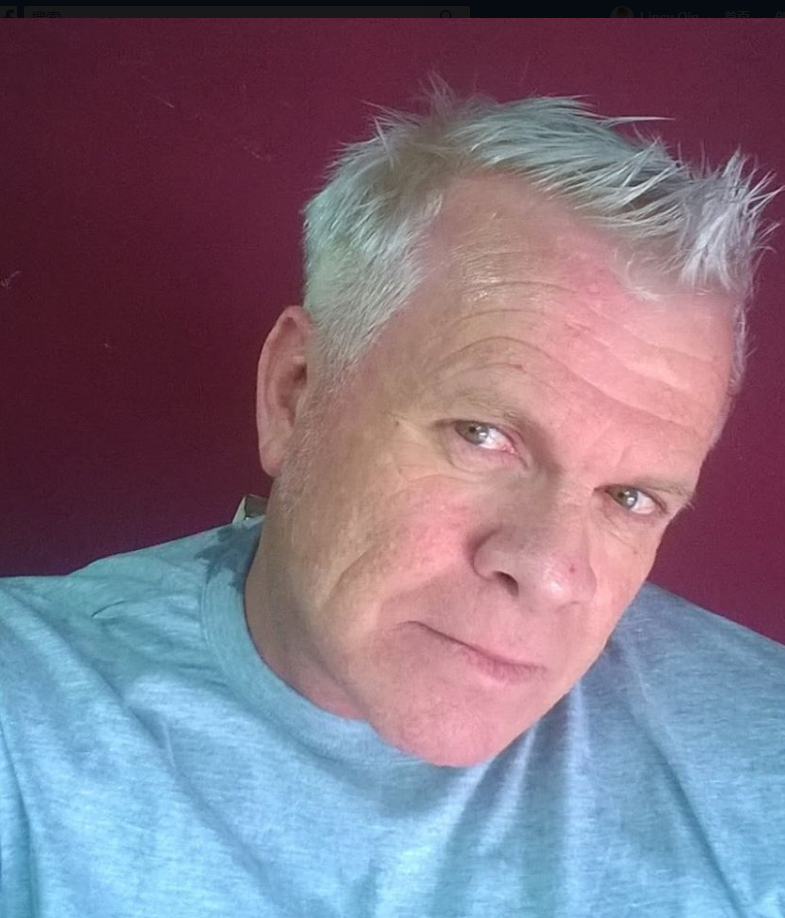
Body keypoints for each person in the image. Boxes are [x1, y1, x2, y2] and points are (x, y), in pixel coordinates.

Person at [1, 79, 783, 916]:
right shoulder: (31, 721)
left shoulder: (759, 754)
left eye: (628, 497)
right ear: (295, 392)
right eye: (481, 434)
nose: (551, 571)